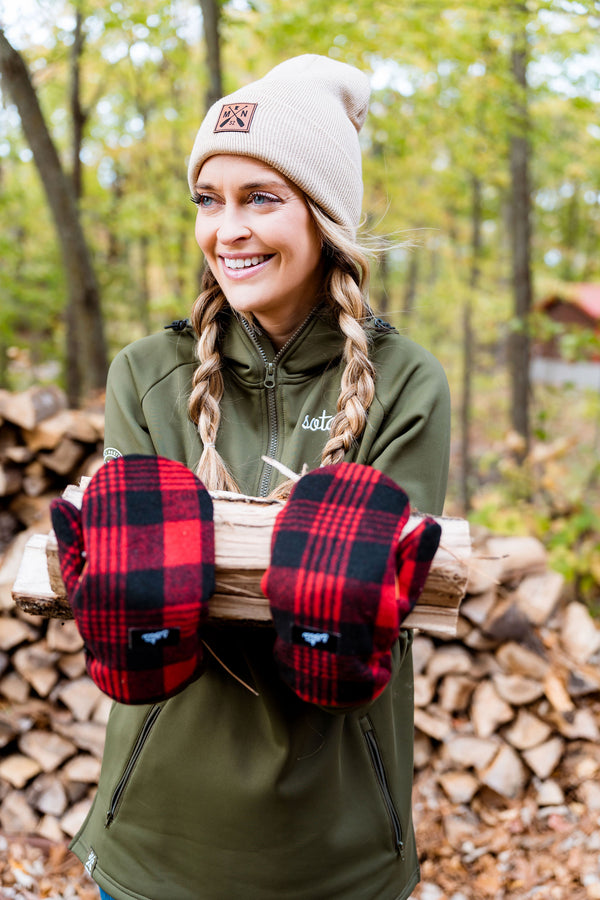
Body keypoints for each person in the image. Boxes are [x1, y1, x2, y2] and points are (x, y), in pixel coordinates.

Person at [67, 54, 451, 900]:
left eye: (261, 199)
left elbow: (368, 624)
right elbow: (141, 620)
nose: (226, 229)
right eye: (210, 200)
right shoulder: (148, 373)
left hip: (336, 854)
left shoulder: (407, 381)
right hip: (153, 847)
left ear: (323, 216)